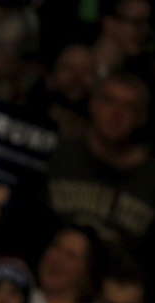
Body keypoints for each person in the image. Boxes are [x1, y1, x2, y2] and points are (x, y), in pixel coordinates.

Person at [46, 71, 155, 258]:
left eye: (128, 107)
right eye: (109, 101)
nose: (116, 113)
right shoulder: (57, 154)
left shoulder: (151, 179)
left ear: (142, 117)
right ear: (94, 105)